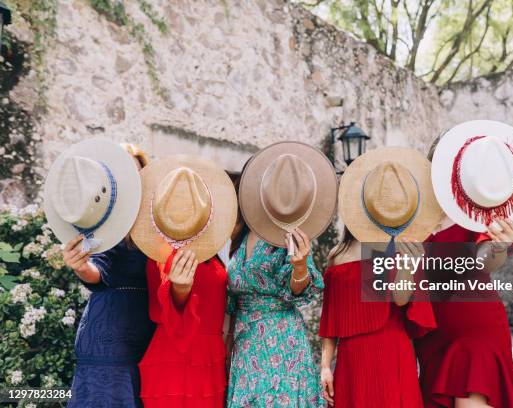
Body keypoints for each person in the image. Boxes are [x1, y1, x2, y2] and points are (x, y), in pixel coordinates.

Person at [417, 121, 513, 408]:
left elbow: (487, 261)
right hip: (431, 334)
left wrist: (498, 247)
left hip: (471, 329)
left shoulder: (479, 212)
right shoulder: (417, 215)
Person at [324, 146, 443, 407]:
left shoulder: (405, 248)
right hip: (352, 358)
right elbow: (331, 316)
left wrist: (407, 266)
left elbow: (402, 301)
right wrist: (324, 365)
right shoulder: (338, 254)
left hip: (392, 352)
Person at [226, 142, 337, 407]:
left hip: (280, 344)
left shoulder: (287, 236)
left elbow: (299, 287)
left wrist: (299, 268)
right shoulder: (242, 233)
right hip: (245, 347)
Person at [129, 155, 238, 408]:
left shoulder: (208, 252)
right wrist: (181, 290)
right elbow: (171, 310)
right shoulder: (162, 252)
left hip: (209, 357)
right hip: (178, 358)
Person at [57, 142, 154, 408]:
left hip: (147, 339)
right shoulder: (104, 221)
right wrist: (81, 266)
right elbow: (97, 269)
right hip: (111, 339)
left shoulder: (154, 219)